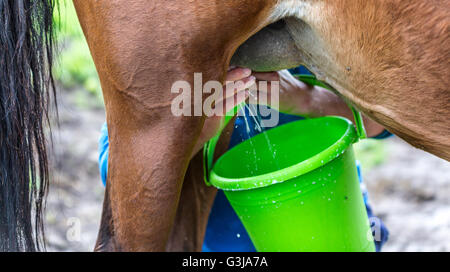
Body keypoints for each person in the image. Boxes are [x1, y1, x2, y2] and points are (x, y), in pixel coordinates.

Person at [98, 67, 389, 252]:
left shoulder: (299, 50)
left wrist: (308, 99)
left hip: (338, 236)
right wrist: (194, 134)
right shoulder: (165, 77)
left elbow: (383, 122)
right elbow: (117, 177)